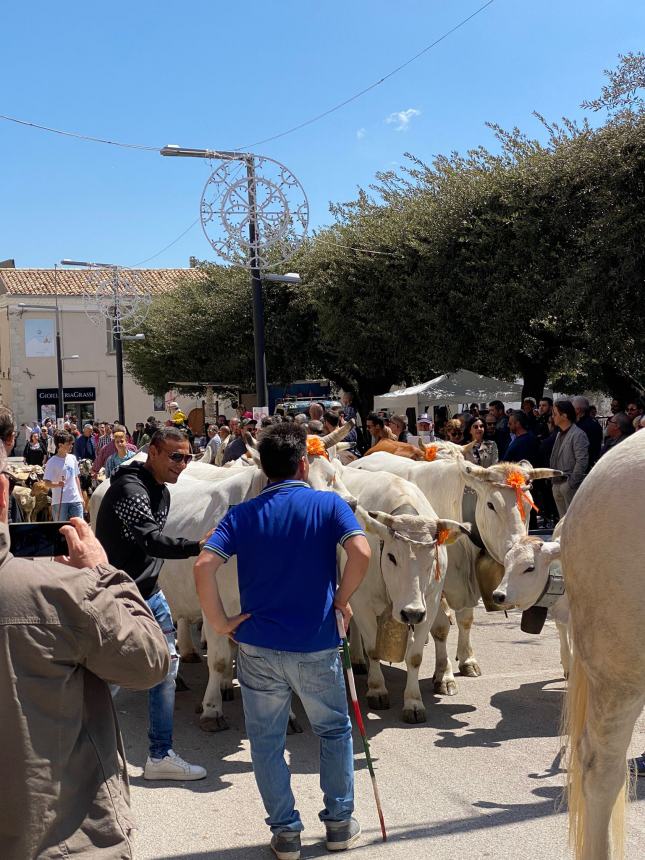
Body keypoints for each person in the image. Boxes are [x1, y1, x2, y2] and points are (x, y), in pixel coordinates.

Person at [193, 423, 370, 859]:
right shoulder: (329, 506)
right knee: (333, 731)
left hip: (257, 646)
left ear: (262, 467)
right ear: (304, 463)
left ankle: (286, 833)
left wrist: (219, 622)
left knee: (267, 742)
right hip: (317, 640)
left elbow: (203, 566)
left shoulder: (241, 514)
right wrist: (342, 601)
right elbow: (361, 553)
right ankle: (339, 824)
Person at [0, 485, 170, 860]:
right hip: (63, 839)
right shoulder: (61, 592)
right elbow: (150, 661)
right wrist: (102, 573)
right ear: (2, 494)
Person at [95, 427, 210, 781]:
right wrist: (196, 546)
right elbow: (151, 541)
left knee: (167, 665)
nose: (183, 465)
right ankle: (67, 746)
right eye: (176, 456)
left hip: (149, 593)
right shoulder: (131, 489)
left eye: (188, 457)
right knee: (106, 677)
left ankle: (159, 755)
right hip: (118, 595)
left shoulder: (161, 490)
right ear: (154, 452)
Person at [549, 400, 589, 517]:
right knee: (563, 521)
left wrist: (571, 484)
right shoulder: (559, 434)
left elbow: (582, 460)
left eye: (555, 414)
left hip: (568, 483)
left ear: (564, 416)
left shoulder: (578, 434)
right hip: (557, 483)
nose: (552, 417)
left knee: (573, 519)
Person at [43, 431, 84, 521]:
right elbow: (46, 483)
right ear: (60, 445)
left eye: (71, 443)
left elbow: (76, 477)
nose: (71, 446)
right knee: (61, 529)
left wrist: (81, 497)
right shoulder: (51, 462)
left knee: (79, 527)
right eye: (68, 444)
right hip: (60, 501)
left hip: (75, 500)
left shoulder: (73, 458)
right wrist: (57, 484)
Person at [571, 396, 603, 470]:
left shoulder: (582, 427)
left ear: (578, 410)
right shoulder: (593, 423)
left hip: (584, 466)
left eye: (572, 408)